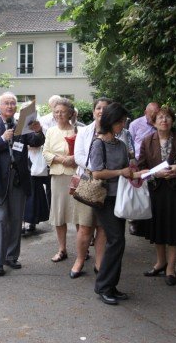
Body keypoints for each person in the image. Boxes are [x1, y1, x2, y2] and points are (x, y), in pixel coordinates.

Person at [0, 92, 45, 276]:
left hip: (18, 179)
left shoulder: (22, 126)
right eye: (6, 103)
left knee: (17, 219)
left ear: (16, 108)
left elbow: (37, 141)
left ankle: (11, 256)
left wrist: (38, 130)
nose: (9, 106)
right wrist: (2, 139)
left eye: (12, 104)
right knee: (0, 220)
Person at [89, 102, 146, 305]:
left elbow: (128, 173)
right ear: (110, 121)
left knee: (118, 241)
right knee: (116, 241)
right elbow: (96, 172)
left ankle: (110, 285)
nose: (123, 124)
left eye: (124, 121)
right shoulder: (98, 143)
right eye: (120, 121)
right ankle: (103, 286)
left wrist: (145, 173)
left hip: (119, 198)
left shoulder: (121, 145)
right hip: (104, 198)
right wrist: (120, 172)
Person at [137, 106, 176, 286]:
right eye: (160, 118)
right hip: (157, 191)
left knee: (174, 229)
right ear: (153, 122)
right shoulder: (147, 141)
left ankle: (171, 267)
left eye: (168, 117)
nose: (164, 120)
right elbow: (141, 169)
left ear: (173, 120)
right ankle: (160, 262)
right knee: (159, 228)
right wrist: (156, 174)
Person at [69, 97, 111, 278]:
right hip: (88, 182)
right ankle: (79, 260)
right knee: (85, 226)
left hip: (110, 184)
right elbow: (78, 155)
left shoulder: (119, 131)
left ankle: (100, 261)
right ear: (94, 111)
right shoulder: (85, 131)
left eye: (105, 108)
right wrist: (97, 168)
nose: (101, 111)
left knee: (103, 227)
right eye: (98, 108)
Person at [42, 98, 77, 262]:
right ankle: (62, 249)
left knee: (78, 214)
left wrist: (74, 158)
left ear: (70, 113)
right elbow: (45, 152)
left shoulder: (78, 130)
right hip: (57, 176)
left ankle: (82, 249)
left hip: (75, 176)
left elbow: (85, 153)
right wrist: (60, 159)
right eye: (56, 112)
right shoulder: (50, 131)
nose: (59, 114)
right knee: (59, 214)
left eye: (62, 111)